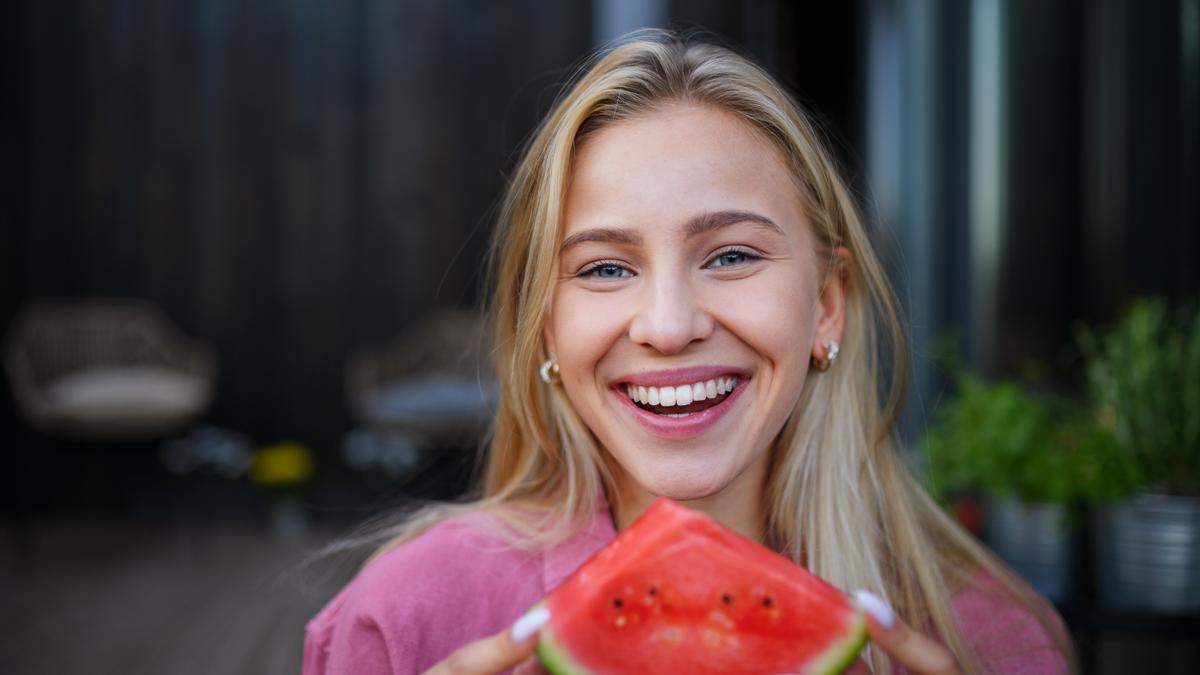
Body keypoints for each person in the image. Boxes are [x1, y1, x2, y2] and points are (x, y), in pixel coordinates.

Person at [304, 30, 1071, 675]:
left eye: (732, 255)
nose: (668, 327)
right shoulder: (403, 622)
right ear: (546, 329)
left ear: (827, 307)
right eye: (605, 268)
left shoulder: (996, 641)